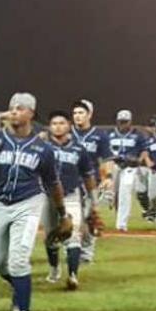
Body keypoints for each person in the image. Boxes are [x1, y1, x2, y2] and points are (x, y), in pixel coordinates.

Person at [0, 93, 70, 311]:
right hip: (0, 205)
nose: (14, 111)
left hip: (29, 204)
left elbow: (53, 183)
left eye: (20, 108)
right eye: (12, 107)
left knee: (18, 261)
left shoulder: (42, 148)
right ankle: (20, 288)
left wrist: (62, 212)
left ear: (31, 113)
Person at [41, 111, 98, 290]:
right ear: (49, 127)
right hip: (47, 196)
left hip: (71, 195)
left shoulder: (78, 149)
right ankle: (54, 268)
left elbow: (88, 174)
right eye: (54, 123)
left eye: (62, 123)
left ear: (69, 126)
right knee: (51, 236)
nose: (58, 127)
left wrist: (93, 199)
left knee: (73, 235)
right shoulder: (42, 147)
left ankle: (73, 275)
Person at [70, 99, 109, 263]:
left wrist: (108, 178)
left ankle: (86, 254)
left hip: (90, 183)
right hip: (68, 183)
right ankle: (72, 250)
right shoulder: (66, 132)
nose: (77, 116)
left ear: (89, 114)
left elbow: (106, 159)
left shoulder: (100, 135)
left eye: (81, 112)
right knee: (70, 219)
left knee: (88, 218)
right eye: (75, 113)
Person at [108, 110, 146, 231]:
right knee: (114, 194)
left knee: (125, 191)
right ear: (117, 121)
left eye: (125, 122)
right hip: (115, 165)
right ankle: (119, 216)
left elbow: (144, 150)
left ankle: (121, 224)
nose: (123, 124)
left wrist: (139, 160)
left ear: (130, 122)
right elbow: (106, 152)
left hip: (130, 167)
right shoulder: (110, 134)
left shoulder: (138, 135)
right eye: (121, 122)